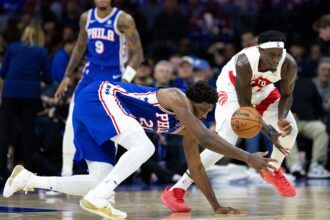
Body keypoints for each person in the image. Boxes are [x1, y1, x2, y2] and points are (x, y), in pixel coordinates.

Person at [3, 81, 276, 219]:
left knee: (98, 179)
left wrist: (216, 206)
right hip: (99, 97)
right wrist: (248, 157)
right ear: (192, 102)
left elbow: (195, 167)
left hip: (93, 111)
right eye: (201, 112)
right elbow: (206, 136)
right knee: (144, 146)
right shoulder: (176, 97)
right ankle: (100, 197)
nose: (202, 118)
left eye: (206, 115)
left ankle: (26, 179)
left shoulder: (187, 127)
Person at [161, 30, 299, 212]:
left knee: (291, 129)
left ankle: (272, 170)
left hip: (263, 89)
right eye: (271, 55)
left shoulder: (288, 64)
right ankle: (177, 189)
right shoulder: (244, 62)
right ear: (259, 51)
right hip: (233, 90)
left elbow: (287, 95)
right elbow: (246, 106)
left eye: (279, 55)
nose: (275, 60)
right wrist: (268, 130)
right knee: (224, 142)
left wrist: (280, 119)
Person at [55, 0, 143, 176]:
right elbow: (79, 48)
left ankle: (108, 176)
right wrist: (67, 75)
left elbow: (138, 55)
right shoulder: (85, 18)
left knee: (111, 129)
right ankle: (66, 172)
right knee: (73, 121)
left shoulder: (123, 19)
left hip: (113, 77)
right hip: (90, 76)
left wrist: (125, 81)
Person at [0, 25, 52, 183]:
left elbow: (3, 72)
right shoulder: (41, 52)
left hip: (10, 92)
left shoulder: (13, 48)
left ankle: (2, 172)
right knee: (27, 134)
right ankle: (26, 175)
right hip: (30, 95)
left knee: (4, 133)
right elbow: (49, 78)